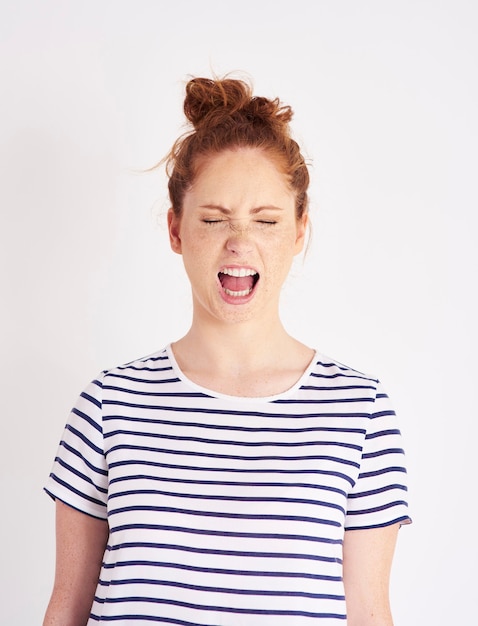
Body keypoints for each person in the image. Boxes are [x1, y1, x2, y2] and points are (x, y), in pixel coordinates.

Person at [43, 75, 411, 626]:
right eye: (213, 220)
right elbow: (66, 609)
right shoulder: (107, 405)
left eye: (266, 221)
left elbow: (369, 613)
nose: (239, 243)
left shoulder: (360, 413)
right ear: (175, 228)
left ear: (299, 230)